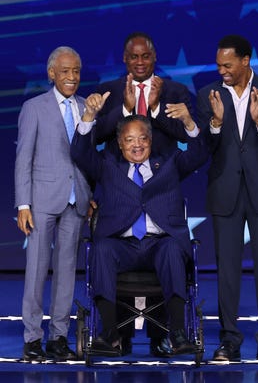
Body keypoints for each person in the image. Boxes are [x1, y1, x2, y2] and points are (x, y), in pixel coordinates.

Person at [87, 31, 196, 356]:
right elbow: (96, 136)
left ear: (154, 58)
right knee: (110, 250)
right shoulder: (109, 91)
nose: (139, 62)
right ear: (124, 59)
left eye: (145, 56)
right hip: (119, 189)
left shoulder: (176, 91)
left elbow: (186, 137)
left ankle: (165, 336)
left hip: (159, 187)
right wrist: (124, 109)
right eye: (133, 57)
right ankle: (115, 335)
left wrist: (157, 107)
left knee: (165, 250)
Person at [70, 114, 208, 357]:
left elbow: (199, 153)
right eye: (129, 139)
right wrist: (88, 118)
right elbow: (80, 153)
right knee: (101, 249)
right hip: (121, 245)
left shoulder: (169, 163)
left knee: (172, 249)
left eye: (142, 138)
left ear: (151, 140)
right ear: (120, 143)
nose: (137, 145)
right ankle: (110, 334)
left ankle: (177, 333)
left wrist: (189, 122)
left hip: (159, 243)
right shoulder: (107, 165)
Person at [196, 34, 258, 362]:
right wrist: (215, 123)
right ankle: (229, 341)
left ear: (245, 61)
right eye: (218, 64)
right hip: (225, 192)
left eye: (227, 64)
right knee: (227, 271)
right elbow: (202, 149)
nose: (221, 70)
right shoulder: (207, 95)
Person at [14, 46, 108, 362]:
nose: (72, 77)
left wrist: (90, 193)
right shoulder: (34, 107)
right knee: (37, 270)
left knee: (67, 273)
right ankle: (32, 339)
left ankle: (57, 338)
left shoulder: (86, 107)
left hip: (76, 200)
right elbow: (23, 158)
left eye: (76, 71)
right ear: (52, 73)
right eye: (65, 71)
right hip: (41, 201)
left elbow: (88, 158)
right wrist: (23, 203)